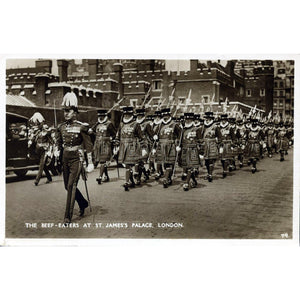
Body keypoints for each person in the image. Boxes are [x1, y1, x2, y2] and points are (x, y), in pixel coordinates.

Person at [55, 91, 94, 223]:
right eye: (64, 111)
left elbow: (88, 145)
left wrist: (90, 162)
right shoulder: (60, 127)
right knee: (67, 186)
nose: (66, 113)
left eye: (69, 111)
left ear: (75, 112)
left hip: (77, 159)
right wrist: (55, 151)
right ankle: (83, 203)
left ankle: (67, 216)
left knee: (71, 185)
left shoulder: (81, 127)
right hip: (65, 158)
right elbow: (59, 142)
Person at [115, 106, 143, 191]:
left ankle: (127, 182)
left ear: (131, 114)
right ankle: (131, 182)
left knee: (129, 165)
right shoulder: (121, 124)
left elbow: (141, 137)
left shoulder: (136, 124)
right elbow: (118, 136)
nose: (126, 116)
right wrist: (116, 145)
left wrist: (144, 148)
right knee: (127, 165)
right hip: (123, 146)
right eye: (125, 114)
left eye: (128, 114)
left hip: (132, 146)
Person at [155, 108, 181, 188]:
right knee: (164, 163)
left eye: (166, 115)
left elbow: (180, 135)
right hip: (161, 145)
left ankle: (166, 179)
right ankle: (168, 177)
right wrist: (155, 136)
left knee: (170, 162)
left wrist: (178, 145)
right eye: (163, 115)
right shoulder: (159, 125)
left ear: (169, 115)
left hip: (171, 145)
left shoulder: (174, 124)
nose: (165, 117)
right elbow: (155, 133)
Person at [91, 109, 116, 184]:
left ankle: (100, 177)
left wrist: (108, 139)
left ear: (105, 116)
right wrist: (91, 132)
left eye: (102, 116)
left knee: (102, 161)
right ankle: (106, 176)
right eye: (99, 116)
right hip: (97, 145)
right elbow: (92, 131)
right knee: (102, 161)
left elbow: (114, 134)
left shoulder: (109, 124)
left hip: (105, 145)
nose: (101, 117)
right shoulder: (97, 124)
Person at [29, 112, 53, 186]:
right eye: (36, 123)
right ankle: (49, 177)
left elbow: (52, 141)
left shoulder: (46, 131)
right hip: (38, 150)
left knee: (41, 165)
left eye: (38, 123)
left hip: (45, 150)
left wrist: (50, 150)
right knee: (43, 165)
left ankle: (37, 180)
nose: (37, 125)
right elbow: (33, 139)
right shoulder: (36, 131)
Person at [180, 113, 202, 191]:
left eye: (190, 120)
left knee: (190, 166)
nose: (188, 121)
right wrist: (178, 147)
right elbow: (180, 140)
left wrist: (201, 152)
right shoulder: (182, 129)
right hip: (184, 150)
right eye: (186, 119)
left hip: (193, 150)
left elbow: (200, 140)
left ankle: (186, 183)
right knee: (186, 167)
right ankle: (194, 181)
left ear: (192, 120)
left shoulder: (196, 129)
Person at [134, 108, 154, 184]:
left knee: (140, 161)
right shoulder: (134, 123)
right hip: (135, 144)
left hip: (144, 144)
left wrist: (154, 138)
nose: (139, 117)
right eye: (138, 115)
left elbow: (150, 134)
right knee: (138, 162)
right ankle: (145, 174)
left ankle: (138, 178)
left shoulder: (146, 124)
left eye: (140, 115)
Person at [203, 111, 221, 182]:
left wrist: (220, 145)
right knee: (206, 161)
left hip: (212, 144)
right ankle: (208, 173)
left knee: (211, 160)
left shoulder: (215, 126)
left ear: (211, 118)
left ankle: (210, 174)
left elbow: (219, 136)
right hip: (205, 145)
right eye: (206, 118)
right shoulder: (203, 126)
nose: (207, 119)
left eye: (208, 118)